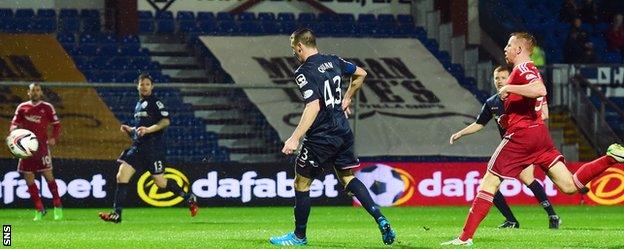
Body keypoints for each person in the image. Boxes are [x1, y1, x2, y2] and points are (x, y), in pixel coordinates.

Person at [442, 32, 624, 246]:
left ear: (519, 49)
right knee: (569, 185)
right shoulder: (526, 71)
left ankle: (465, 238)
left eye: (509, 45)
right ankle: (611, 157)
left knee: (489, 182)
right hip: (539, 135)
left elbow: (540, 89)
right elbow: (540, 103)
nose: (506, 49)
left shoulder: (523, 68)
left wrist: (509, 87)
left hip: (521, 136)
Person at [269, 28, 396, 246]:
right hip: (342, 130)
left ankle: (299, 237)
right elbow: (362, 73)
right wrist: (347, 97)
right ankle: (380, 218)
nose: (294, 54)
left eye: (294, 49)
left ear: (300, 47)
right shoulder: (334, 60)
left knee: (301, 183)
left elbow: (313, 105)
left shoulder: (303, 71)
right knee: (347, 177)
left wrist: (295, 137)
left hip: (321, 135)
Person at [449, 66, 561, 229]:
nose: (499, 81)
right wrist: (460, 133)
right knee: (492, 183)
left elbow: (543, 114)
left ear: (511, 79)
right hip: (510, 148)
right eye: (497, 78)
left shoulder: (522, 98)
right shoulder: (492, 102)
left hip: (524, 145)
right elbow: (479, 124)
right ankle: (517, 219)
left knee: (520, 179)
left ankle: (550, 215)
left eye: (503, 78)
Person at [99, 73, 198, 223]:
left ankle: (188, 198)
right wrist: (131, 129)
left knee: (160, 182)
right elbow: (141, 128)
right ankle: (117, 214)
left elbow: (165, 121)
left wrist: (148, 130)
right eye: (142, 84)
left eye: (147, 84)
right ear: (137, 86)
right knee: (121, 175)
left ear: (152, 87)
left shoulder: (155, 103)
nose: (144, 87)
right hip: (138, 148)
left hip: (153, 149)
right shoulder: (138, 104)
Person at [9, 83, 63, 221]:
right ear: (28, 92)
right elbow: (14, 123)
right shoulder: (22, 108)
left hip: (42, 148)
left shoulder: (47, 107)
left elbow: (56, 125)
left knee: (48, 175)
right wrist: (13, 131)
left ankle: (57, 205)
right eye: (33, 90)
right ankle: (39, 209)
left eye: (37, 90)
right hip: (25, 147)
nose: (35, 92)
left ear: (41, 93)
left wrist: (53, 138)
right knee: (28, 178)